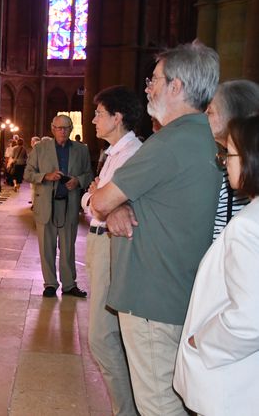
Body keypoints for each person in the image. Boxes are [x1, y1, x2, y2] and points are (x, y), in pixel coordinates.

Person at [91, 41, 221, 415]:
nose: (148, 87)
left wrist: (113, 201)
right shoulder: (205, 138)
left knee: (158, 404)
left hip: (152, 297)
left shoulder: (168, 142)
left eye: (155, 80)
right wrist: (125, 202)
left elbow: (100, 201)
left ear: (177, 87)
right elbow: (162, 197)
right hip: (180, 290)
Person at [174, 115, 259, 415]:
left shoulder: (248, 226)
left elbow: (250, 317)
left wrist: (203, 340)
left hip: (232, 383)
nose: (224, 161)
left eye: (229, 153)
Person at [81, 86, 142, 416]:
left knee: (101, 339)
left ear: (117, 118)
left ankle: (126, 411)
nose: (93, 120)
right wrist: (96, 198)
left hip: (111, 245)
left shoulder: (133, 153)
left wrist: (97, 199)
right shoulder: (112, 152)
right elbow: (91, 202)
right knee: (106, 335)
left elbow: (102, 203)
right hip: (98, 241)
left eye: (99, 114)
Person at [24, 114, 93, 298]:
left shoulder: (81, 150)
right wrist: (45, 176)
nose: (63, 131)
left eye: (66, 128)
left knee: (68, 247)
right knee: (46, 247)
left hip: (68, 205)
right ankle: (50, 284)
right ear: (52, 128)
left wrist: (77, 181)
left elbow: (89, 174)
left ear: (71, 130)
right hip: (46, 203)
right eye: (59, 128)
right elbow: (28, 173)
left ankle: (69, 285)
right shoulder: (40, 148)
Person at [205, 79, 259, 238]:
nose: (204, 117)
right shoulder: (225, 158)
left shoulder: (244, 168)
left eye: (211, 112)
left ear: (233, 116)